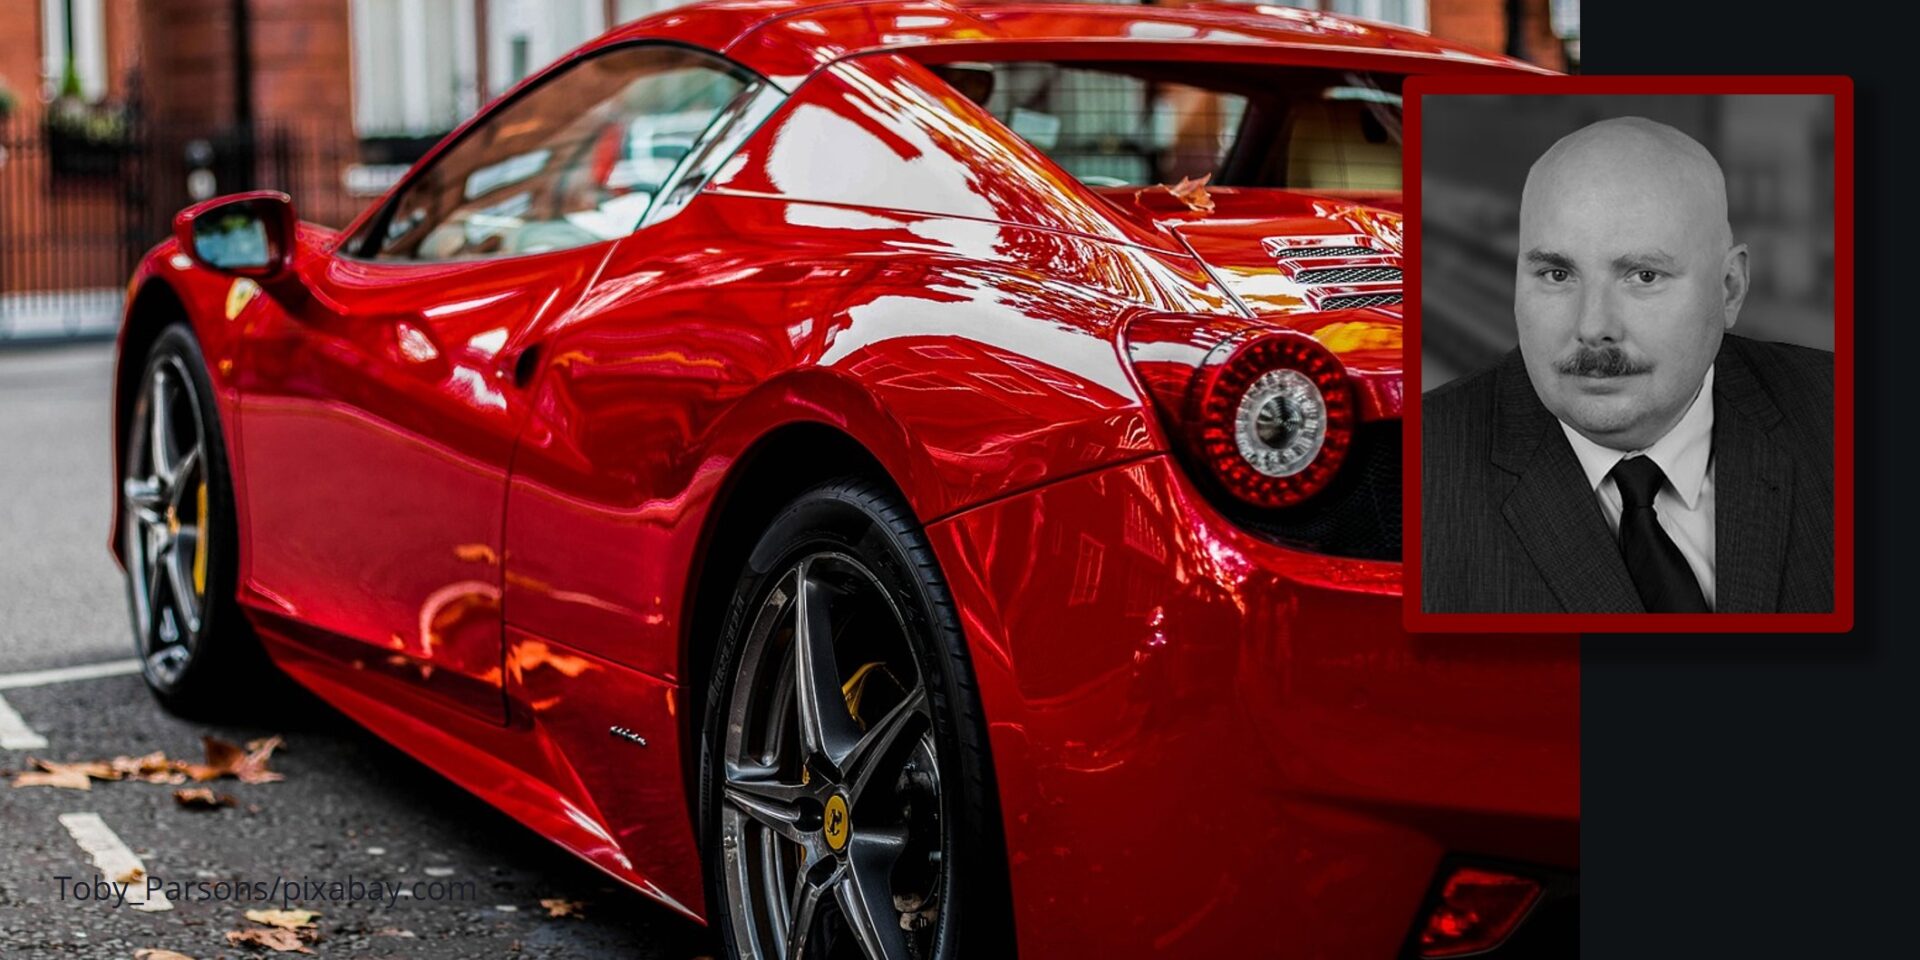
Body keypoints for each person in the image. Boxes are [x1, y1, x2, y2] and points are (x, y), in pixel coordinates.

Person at [1421, 116, 1834, 614]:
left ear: (1730, 288)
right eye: (1556, 274)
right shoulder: (1421, 475)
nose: (1593, 326)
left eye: (1643, 275)